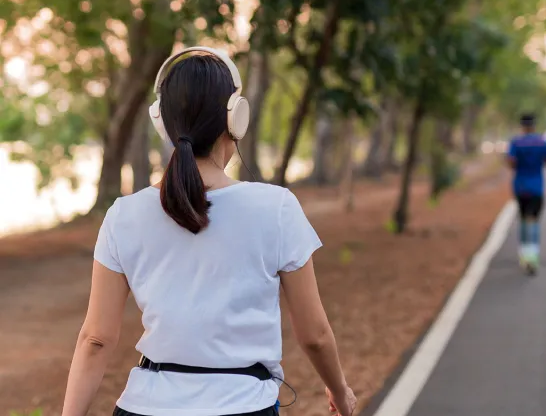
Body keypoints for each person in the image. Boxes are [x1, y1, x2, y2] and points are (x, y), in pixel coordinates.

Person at [62, 47, 357, 416]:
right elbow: (314, 336)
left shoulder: (124, 215)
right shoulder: (276, 208)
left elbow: (95, 339)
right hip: (242, 407)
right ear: (236, 119)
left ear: (162, 121)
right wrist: (339, 392)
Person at [507, 113, 546, 275]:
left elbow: (511, 162)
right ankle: (532, 256)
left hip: (520, 186)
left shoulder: (516, 142)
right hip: (536, 187)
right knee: (533, 220)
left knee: (522, 218)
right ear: (534, 125)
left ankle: (523, 254)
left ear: (522, 126)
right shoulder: (543, 142)